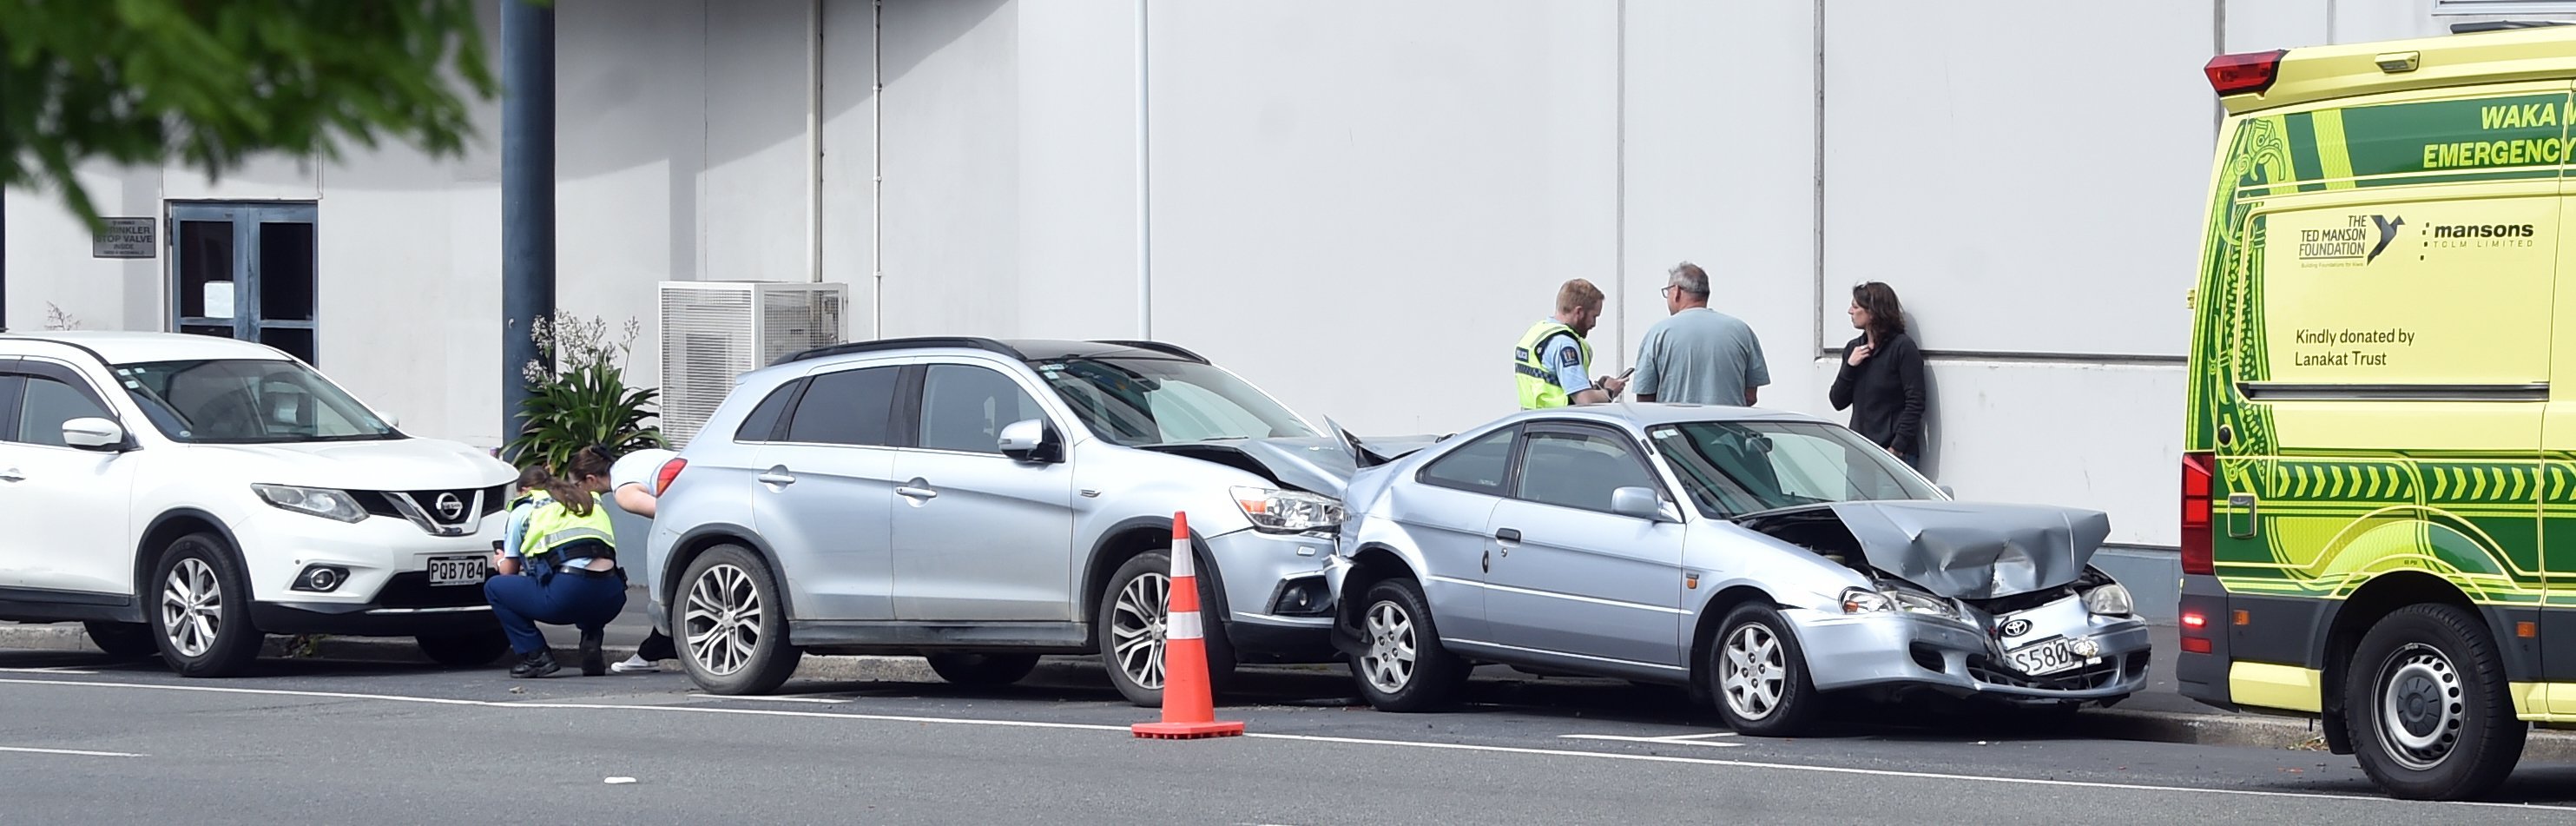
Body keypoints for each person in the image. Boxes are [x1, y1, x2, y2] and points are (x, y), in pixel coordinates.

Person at [483, 446, 629, 677]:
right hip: (612, 596)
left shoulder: (525, 509)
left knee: (495, 588)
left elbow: (509, 572)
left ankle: (536, 656)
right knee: (588, 577)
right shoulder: (588, 499)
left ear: (525, 490)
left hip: (567, 596)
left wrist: (500, 561)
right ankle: (591, 641)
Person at [1631, 261, 1770, 406]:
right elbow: (1750, 397)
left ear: (1677, 291)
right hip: (1728, 427)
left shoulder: (1658, 334)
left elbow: (1644, 400)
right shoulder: (1741, 331)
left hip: (1675, 427)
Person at [1829, 281, 1928, 468]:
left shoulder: (1902, 348)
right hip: (1860, 454)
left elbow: (1916, 401)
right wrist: (1849, 367)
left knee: (1891, 499)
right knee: (1859, 499)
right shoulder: (1854, 348)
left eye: (1856, 307)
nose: (1850, 311)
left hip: (1894, 456)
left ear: (1873, 312)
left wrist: (1897, 447)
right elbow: (1837, 401)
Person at [605, 446, 679, 674]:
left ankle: (652, 652)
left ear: (589, 479)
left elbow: (668, 512)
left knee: (674, 590)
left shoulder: (623, 493)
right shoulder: (629, 461)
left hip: (696, 512)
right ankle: (653, 651)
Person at [1513, 278, 1625, 408]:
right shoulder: (1564, 344)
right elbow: (1584, 401)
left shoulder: (1536, 333)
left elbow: (1552, 384)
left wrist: (1594, 388)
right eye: (1593, 316)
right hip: (1559, 424)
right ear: (1579, 312)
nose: (1594, 324)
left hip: (1533, 422)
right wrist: (1610, 391)